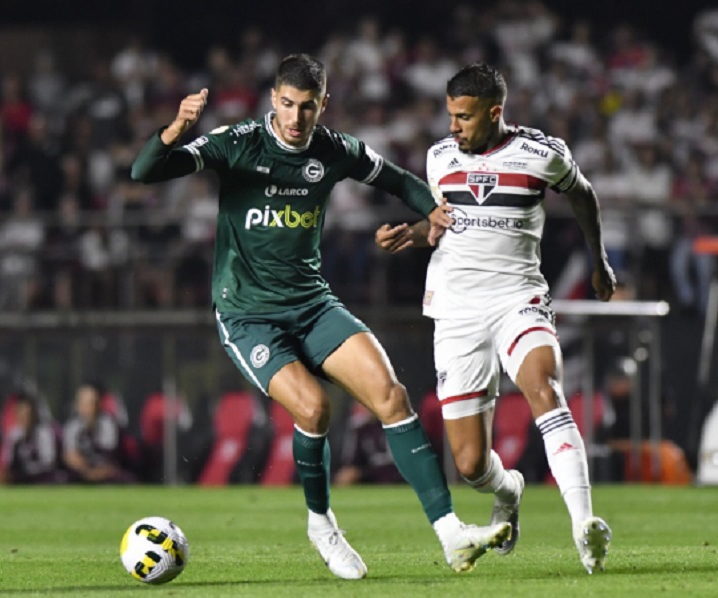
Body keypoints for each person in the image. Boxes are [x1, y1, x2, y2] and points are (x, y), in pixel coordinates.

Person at [131, 53, 510, 579]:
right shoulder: (237, 143)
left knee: (391, 396)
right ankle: (322, 524)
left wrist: (432, 209)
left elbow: (397, 179)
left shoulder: (333, 150)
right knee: (313, 411)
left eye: (307, 107)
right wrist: (175, 128)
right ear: (273, 100)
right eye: (286, 104)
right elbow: (144, 171)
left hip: (311, 303)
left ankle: (451, 534)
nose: (295, 117)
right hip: (248, 315)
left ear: (322, 105)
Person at [375, 63, 616, 574]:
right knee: (468, 464)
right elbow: (443, 227)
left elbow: (584, 195)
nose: (452, 127)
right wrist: (409, 235)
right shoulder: (439, 158)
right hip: (456, 311)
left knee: (544, 388)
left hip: (517, 298)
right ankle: (509, 489)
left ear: (494, 112)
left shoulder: (540, 154)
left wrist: (599, 261)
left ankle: (584, 525)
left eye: (463, 117)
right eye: (449, 115)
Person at [62, 383, 135, 484]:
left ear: (98, 405)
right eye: (83, 404)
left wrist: (97, 473)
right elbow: (71, 457)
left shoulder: (108, 424)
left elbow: (109, 458)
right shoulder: (71, 427)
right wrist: (87, 472)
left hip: (105, 472)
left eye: (90, 404)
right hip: (81, 473)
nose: (86, 409)